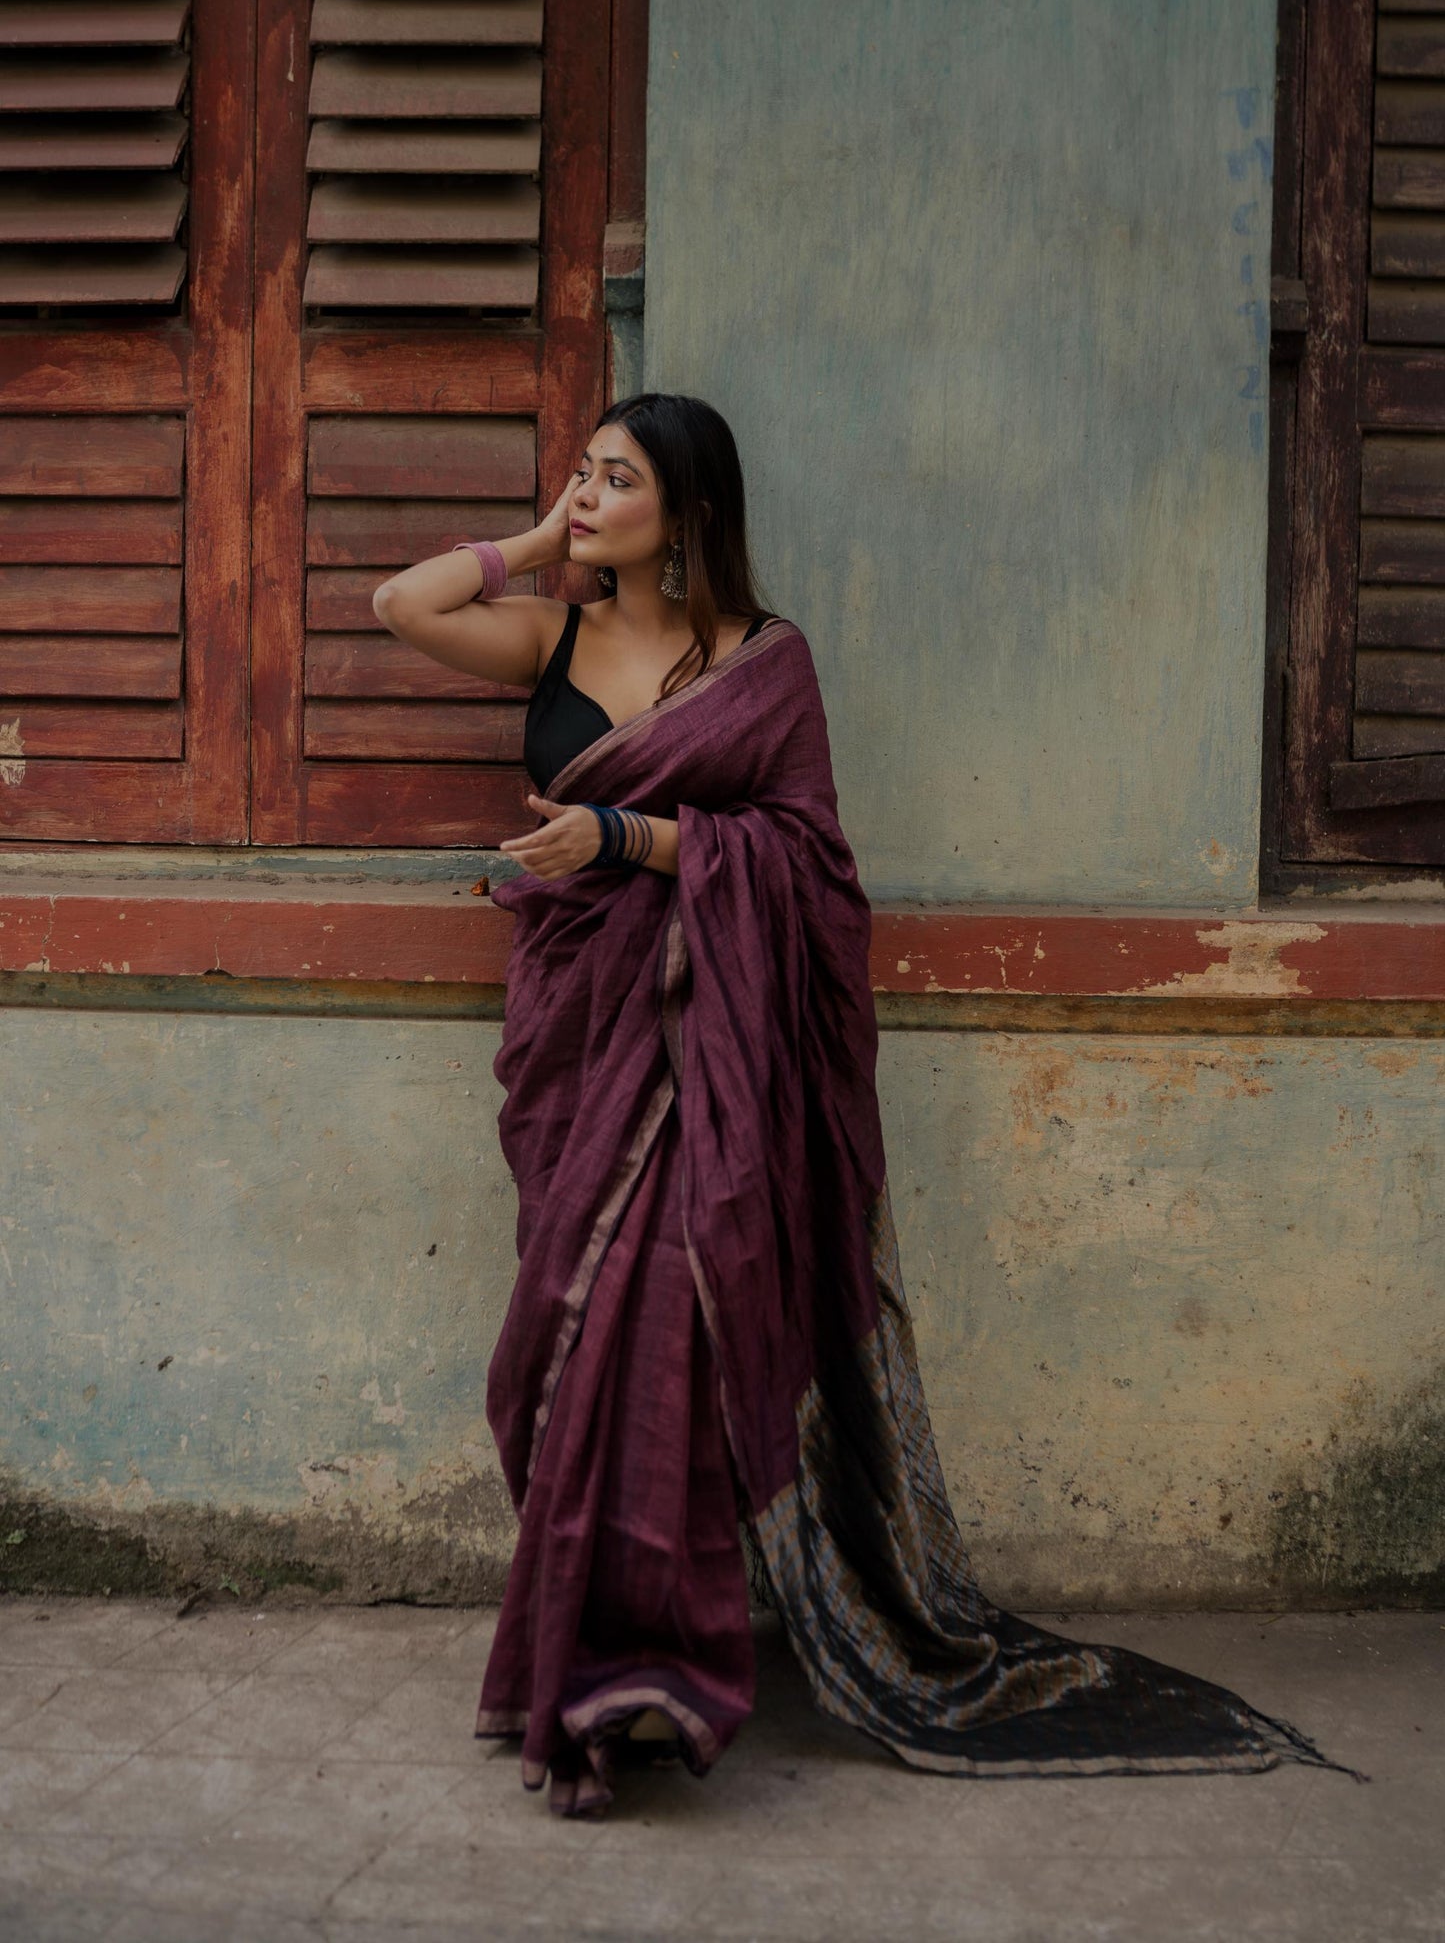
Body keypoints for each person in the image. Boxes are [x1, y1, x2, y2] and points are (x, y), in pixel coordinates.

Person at [372, 391, 1360, 1818]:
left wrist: (626, 835)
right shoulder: (556, 635)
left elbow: (811, 865)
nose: (586, 494)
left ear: (691, 512)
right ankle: (572, 1648)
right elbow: (401, 605)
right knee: (554, 1349)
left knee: (664, 1342)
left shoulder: (768, 668)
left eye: (616, 479)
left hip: (721, 1057)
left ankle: (642, 1676)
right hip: (582, 1046)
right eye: (579, 472)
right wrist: (538, 541)